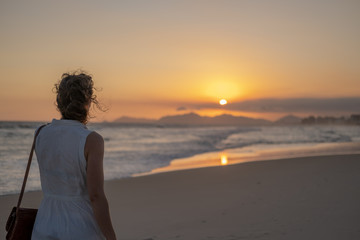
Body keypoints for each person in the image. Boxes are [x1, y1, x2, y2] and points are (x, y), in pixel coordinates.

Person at [32, 71, 117, 240]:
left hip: (44, 224)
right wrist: (111, 237)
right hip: (80, 228)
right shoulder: (92, 140)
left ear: (59, 102)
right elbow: (95, 195)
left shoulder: (40, 133)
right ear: (88, 101)